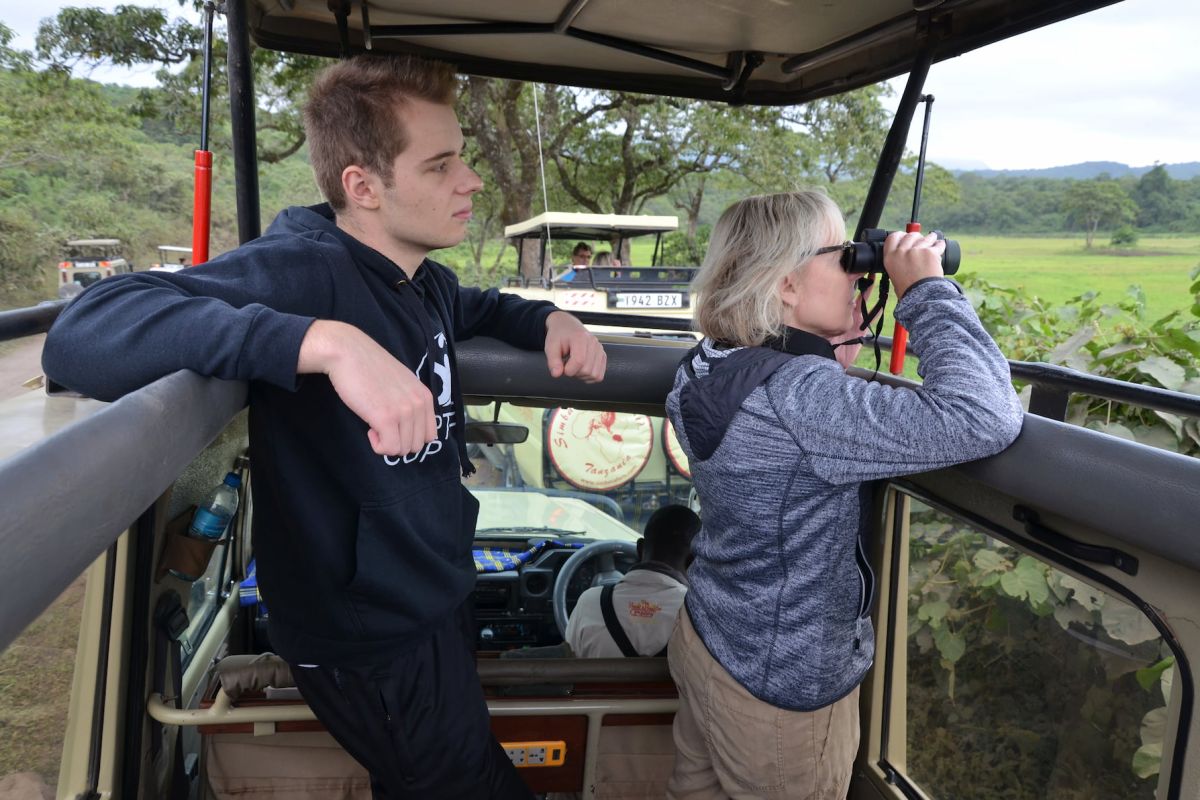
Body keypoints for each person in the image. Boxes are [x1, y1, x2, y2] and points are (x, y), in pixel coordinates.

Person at [42, 54, 608, 800]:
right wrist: (326, 344)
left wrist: (549, 318)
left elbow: (483, 306)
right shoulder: (301, 272)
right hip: (370, 636)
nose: (471, 182)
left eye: (462, 159)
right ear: (362, 186)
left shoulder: (423, 279)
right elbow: (83, 329)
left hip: (432, 598)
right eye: (440, 166)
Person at [663, 191, 1023, 799]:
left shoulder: (710, 364)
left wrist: (824, 348)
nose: (861, 272)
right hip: (779, 689)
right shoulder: (800, 397)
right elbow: (985, 416)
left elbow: (792, 417)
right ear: (786, 284)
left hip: (708, 635)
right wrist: (924, 289)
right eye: (845, 257)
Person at [565, 504, 698, 658]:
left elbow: (568, 661)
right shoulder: (699, 614)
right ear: (694, 561)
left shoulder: (588, 603)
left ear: (639, 549)